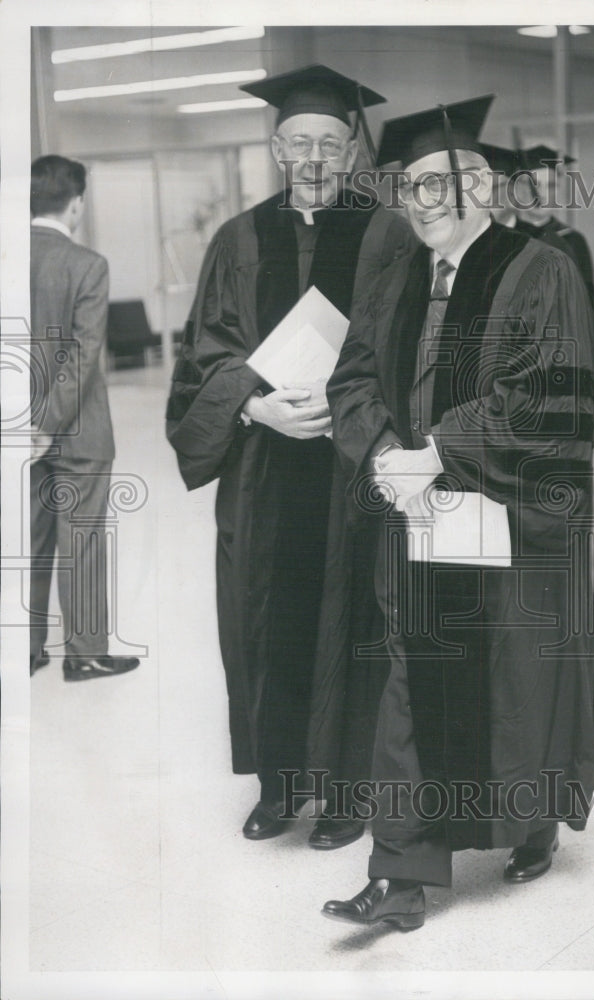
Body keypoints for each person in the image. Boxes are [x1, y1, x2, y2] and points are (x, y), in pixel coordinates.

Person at [322, 97, 594, 930]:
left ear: (484, 188)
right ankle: (401, 875)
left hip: (514, 516)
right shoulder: (394, 279)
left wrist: (438, 452)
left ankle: (532, 822)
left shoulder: (540, 269)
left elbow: (549, 396)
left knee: (516, 681)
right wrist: (384, 453)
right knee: (411, 677)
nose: (422, 202)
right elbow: (351, 380)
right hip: (416, 514)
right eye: (410, 188)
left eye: (440, 185)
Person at [165, 65, 414, 846]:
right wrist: (252, 403)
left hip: (350, 468)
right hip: (261, 470)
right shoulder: (239, 238)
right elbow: (205, 351)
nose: (313, 158)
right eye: (299, 142)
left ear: (352, 153)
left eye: (329, 144)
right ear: (277, 149)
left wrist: (350, 408)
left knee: (354, 619)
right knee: (263, 620)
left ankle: (346, 794)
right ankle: (279, 786)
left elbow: (404, 348)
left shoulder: (388, 235)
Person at [29, 155, 140, 681]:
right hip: (78, 431)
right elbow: (81, 356)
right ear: (76, 204)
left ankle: (26, 650)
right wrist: (49, 424)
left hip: (15, 429)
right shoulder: (87, 264)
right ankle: (85, 654)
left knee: (27, 540)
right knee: (82, 539)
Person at [507, 144, 594, 428]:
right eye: (533, 184)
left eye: (551, 185)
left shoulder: (573, 242)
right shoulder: (499, 241)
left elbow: (587, 318)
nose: (542, 194)